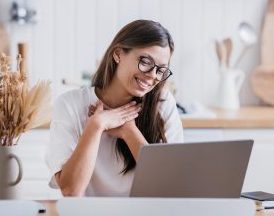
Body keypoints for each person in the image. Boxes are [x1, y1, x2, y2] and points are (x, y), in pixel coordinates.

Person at [45, 20, 184, 197]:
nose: (152, 75)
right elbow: (71, 190)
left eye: (160, 70)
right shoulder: (69, 104)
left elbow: (170, 188)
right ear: (118, 54)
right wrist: (96, 126)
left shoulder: (163, 103)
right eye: (146, 61)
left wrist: (130, 133)